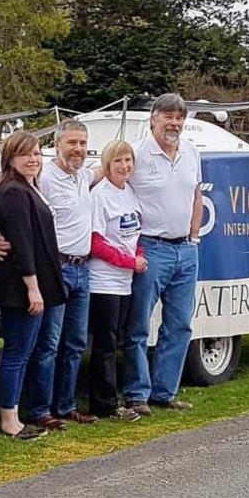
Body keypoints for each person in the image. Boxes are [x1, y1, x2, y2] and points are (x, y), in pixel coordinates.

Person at [124, 93, 202, 416]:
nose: (174, 124)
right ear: (153, 118)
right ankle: (136, 394)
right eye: (168, 117)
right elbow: (111, 187)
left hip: (185, 249)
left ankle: (164, 392)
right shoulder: (137, 153)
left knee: (180, 325)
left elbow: (197, 194)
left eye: (179, 118)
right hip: (150, 248)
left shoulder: (191, 151)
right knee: (139, 325)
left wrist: (194, 237)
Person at [25, 119, 99, 430]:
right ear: (57, 144)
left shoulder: (84, 176)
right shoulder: (43, 177)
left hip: (83, 269)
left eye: (82, 143)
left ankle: (66, 405)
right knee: (49, 344)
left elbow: (112, 163)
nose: (78, 149)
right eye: (72, 143)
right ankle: (39, 410)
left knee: (76, 343)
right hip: (56, 268)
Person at [0, 131, 66, 440]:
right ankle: (9, 419)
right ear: (10, 158)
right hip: (22, 287)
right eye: (25, 154)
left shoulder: (30, 188)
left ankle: (21, 412)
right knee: (17, 353)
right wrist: (33, 289)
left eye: (37, 153)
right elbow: (21, 243)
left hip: (41, 284)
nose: (33, 159)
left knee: (29, 351)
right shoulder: (13, 192)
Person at [87, 141, 146, 422]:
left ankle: (114, 396)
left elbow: (135, 233)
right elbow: (96, 243)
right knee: (104, 344)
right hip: (103, 282)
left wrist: (138, 256)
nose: (124, 166)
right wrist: (129, 262)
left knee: (118, 340)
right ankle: (105, 404)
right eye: (118, 162)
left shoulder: (130, 193)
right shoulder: (100, 196)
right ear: (107, 165)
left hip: (125, 281)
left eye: (128, 160)